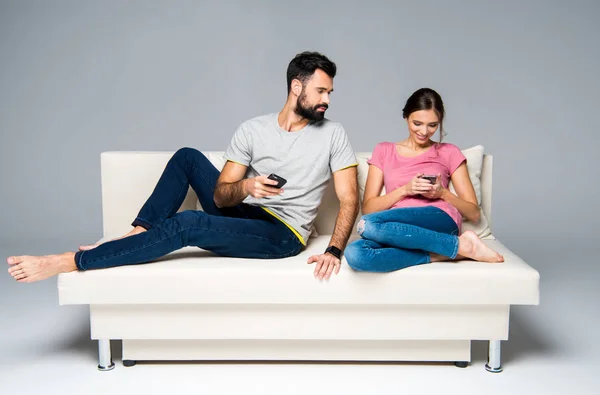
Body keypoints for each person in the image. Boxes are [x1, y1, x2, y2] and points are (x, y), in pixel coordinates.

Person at [7, 51, 359, 283]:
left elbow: (348, 199)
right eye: (321, 91)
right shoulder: (253, 129)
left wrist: (333, 249)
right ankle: (138, 233)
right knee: (187, 156)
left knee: (188, 223)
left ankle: (72, 261)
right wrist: (248, 188)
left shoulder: (333, 134)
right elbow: (222, 198)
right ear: (297, 87)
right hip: (247, 212)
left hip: (283, 234)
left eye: (330, 92)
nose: (327, 100)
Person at [344, 88, 504, 272]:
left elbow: (474, 213)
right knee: (356, 253)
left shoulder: (449, 151)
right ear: (406, 117)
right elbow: (369, 209)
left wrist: (442, 193)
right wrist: (406, 189)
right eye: (417, 123)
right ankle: (455, 249)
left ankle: (450, 244)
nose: (424, 131)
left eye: (432, 125)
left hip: (439, 218)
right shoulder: (384, 150)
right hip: (399, 228)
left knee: (368, 226)